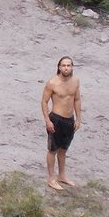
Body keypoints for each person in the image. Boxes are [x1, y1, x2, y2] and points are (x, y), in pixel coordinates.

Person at [39, 56, 82, 190]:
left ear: (72, 67)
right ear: (59, 67)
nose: (66, 68)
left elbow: (77, 99)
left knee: (63, 149)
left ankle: (62, 176)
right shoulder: (52, 83)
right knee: (52, 150)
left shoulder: (75, 81)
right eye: (63, 65)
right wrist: (47, 120)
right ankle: (51, 178)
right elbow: (44, 102)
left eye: (69, 65)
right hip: (56, 119)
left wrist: (79, 118)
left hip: (69, 120)